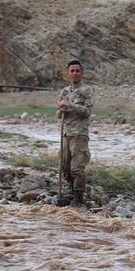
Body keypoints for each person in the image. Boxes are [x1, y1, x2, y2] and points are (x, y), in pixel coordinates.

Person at [57, 60, 94, 207]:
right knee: (65, 165)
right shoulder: (64, 92)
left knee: (76, 167)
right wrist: (61, 109)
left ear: (82, 73)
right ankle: (70, 190)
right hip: (66, 133)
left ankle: (79, 197)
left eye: (77, 71)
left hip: (79, 133)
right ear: (68, 73)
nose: (75, 73)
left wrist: (71, 105)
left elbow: (87, 112)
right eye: (72, 71)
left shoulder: (87, 90)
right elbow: (58, 115)